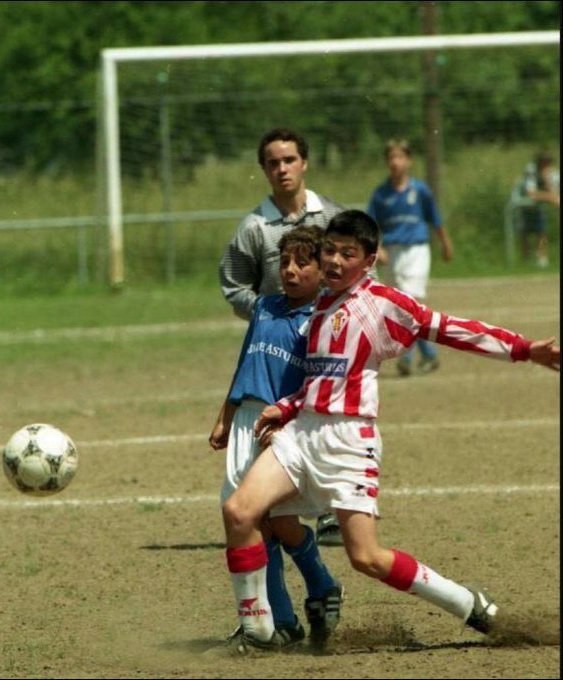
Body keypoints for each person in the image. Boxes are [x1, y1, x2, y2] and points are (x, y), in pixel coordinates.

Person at [218, 209, 559, 655]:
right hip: (300, 435)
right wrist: (284, 407)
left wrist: (523, 349)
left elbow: (449, 328)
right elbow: (321, 377)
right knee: (241, 512)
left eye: (348, 253)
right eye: (330, 251)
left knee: (366, 558)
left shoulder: (383, 303)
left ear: (370, 258)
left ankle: (467, 603)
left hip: (348, 441)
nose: (335, 261)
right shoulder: (323, 302)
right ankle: (258, 631)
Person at [208, 225, 343, 653]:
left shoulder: (320, 321)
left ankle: (312, 590)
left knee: (273, 521)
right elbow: (244, 362)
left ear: (322, 270)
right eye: (284, 261)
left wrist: (292, 424)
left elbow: (318, 384)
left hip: (280, 427)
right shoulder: (265, 307)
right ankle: (280, 621)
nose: (290, 269)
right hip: (245, 421)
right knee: (256, 525)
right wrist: (224, 416)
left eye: (302, 262)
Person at [219, 127, 345, 546]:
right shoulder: (255, 227)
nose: (282, 169)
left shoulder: (331, 216)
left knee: (328, 417)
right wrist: (266, 315)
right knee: (282, 424)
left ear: (304, 163)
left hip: (330, 340)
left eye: (289, 159)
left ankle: (329, 509)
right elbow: (235, 284)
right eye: (273, 162)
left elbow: (363, 270)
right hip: (281, 343)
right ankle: (287, 510)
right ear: (264, 170)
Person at [367, 138, 453, 377]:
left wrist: (446, 244)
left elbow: (435, 219)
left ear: (409, 160)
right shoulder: (381, 194)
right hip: (393, 253)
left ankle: (407, 358)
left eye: (400, 157)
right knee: (399, 308)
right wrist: (377, 249)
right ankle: (429, 355)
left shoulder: (420, 190)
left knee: (408, 302)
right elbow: (370, 225)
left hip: (416, 251)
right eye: (391, 158)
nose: (395, 162)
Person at [513, 150, 560, 268]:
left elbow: (553, 192)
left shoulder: (553, 173)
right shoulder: (531, 170)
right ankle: (525, 261)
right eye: (544, 162)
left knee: (541, 231)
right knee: (524, 232)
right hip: (524, 204)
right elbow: (531, 193)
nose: (546, 165)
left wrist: (547, 181)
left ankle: (542, 259)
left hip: (538, 206)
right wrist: (551, 197)